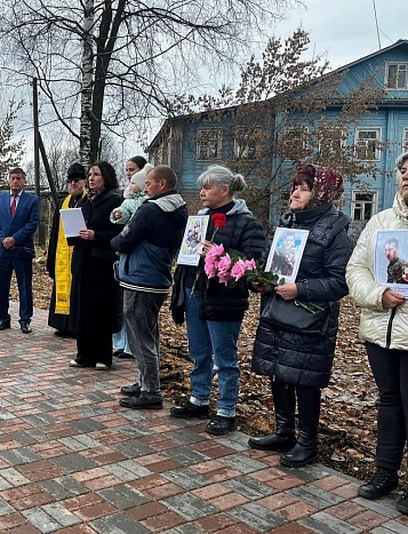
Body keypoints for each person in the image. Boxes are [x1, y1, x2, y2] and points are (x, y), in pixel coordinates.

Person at [249, 164, 352, 468]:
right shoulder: (287, 222)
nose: (295, 192)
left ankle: (307, 442)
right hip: (277, 312)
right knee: (279, 372)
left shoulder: (335, 231)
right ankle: (284, 432)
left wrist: (301, 289)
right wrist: (260, 279)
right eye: (295, 186)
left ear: (321, 193)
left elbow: (340, 281)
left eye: (304, 188)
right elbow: (273, 263)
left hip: (309, 320)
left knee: (304, 379)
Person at [170, 165, 266, 435]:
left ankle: (226, 410)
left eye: (207, 187)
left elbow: (254, 262)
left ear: (224, 190)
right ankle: (198, 399)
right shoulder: (199, 220)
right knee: (199, 353)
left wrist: (222, 257)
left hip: (224, 299)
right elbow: (187, 258)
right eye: (201, 187)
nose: (201, 192)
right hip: (195, 294)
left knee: (224, 357)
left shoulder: (247, 222)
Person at [347, 151, 408, 511]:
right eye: (404, 170)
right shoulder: (381, 222)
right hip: (381, 328)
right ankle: (385, 472)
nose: (406, 176)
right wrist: (378, 295)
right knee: (389, 402)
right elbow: (356, 270)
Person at [111, 165, 187, 409]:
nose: (146, 188)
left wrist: (115, 241)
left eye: (149, 183)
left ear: (162, 184)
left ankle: (151, 391)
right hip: (158, 278)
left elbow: (126, 238)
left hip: (140, 279)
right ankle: (144, 381)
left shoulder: (150, 210)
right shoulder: (180, 209)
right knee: (149, 334)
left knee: (139, 337)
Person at [68, 161, 124, 370]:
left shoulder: (115, 201)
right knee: (82, 307)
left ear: (106, 177)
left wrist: (96, 236)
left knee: (100, 309)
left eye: (96, 174)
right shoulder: (85, 201)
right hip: (83, 260)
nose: (91, 178)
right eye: (90, 174)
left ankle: (103, 356)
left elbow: (119, 233)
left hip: (101, 262)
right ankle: (84, 354)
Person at [0, 167, 40, 333]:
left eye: (18, 178)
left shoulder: (32, 200)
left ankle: (25, 320)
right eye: (13, 178)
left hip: (21, 250)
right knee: (2, 287)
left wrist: (14, 239)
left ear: (24, 181)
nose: (15, 181)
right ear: (8, 180)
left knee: (24, 287)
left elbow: (32, 224)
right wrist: (3, 239)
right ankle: (3, 318)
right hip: (3, 251)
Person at [112, 156, 150, 360]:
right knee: (122, 305)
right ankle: (121, 342)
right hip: (123, 254)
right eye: (126, 170)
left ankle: (131, 346)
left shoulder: (147, 202)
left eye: (132, 170)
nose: (128, 174)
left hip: (136, 257)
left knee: (135, 308)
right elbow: (121, 215)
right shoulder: (127, 198)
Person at [46, 162, 88, 337]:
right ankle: (62, 324)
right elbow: (55, 232)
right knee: (62, 286)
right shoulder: (63, 203)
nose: (73, 184)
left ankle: (75, 326)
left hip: (81, 255)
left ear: (84, 181)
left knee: (78, 291)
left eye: (77, 180)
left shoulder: (88, 202)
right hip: (63, 254)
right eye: (70, 181)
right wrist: (51, 257)